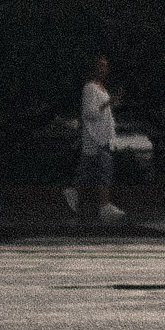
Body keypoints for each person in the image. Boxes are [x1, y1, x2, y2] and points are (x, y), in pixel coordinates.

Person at [64, 57, 124, 226]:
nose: (104, 69)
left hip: (101, 135)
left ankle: (74, 192)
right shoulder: (90, 88)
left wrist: (111, 102)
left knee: (89, 171)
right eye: (100, 66)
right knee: (104, 170)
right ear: (92, 68)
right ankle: (104, 206)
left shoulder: (101, 88)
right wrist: (110, 101)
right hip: (96, 136)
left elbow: (103, 111)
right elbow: (90, 113)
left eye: (106, 66)